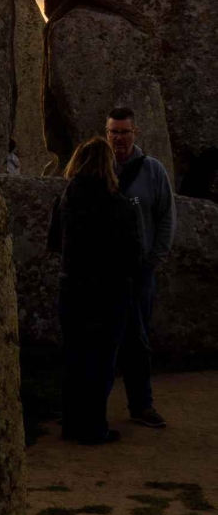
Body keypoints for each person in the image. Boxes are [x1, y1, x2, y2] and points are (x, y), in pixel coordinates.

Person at [47, 137, 144, 444]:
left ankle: (72, 424)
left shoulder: (64, 200)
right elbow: (134, 254)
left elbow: (53, 244)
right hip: (109, 293)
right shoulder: (121, 205)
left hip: (73, 289)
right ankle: (93, 427)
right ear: (109, 166)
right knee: (101, 360)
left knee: (75, 357)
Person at [106, 106, 175, 428]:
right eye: (113, 131)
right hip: (103, 272)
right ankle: (91, 407)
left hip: (139, 272)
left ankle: (141, 404)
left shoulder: (153, 171)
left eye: (123, 132)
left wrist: (152, 261)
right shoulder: (97, 167)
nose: (118, 138)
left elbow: (166, 218)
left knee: (137, 340)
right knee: (100, 340)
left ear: (135, 133)